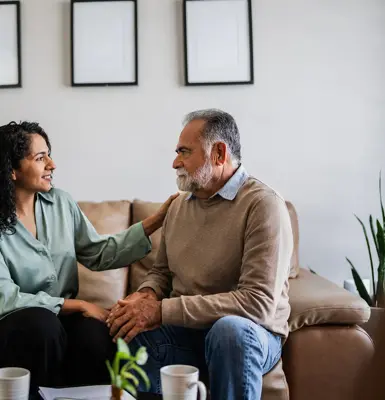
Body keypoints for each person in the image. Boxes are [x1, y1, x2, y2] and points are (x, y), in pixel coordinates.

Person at [107, 109, 294, 400]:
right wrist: (145, 296)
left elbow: (257, 304)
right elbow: (161, 273)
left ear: (219, 153)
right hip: (187, 330)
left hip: (250, 334)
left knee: (229, 332)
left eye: (184, 152)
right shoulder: (179, 206)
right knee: (130, 333)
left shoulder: (263, 206)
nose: (175, 162)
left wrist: (161, 310)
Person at [0, 121, 177, 395]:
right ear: (11, 170)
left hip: (60, 320)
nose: (52, 164)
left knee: (95, 334)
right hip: (17, 322)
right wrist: (79, 304)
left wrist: (155, 221)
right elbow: (6, 297)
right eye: (40, 157)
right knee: (41, 326)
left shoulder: (61, 203)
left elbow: (98, 252)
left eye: (49, 154)